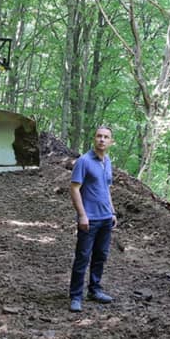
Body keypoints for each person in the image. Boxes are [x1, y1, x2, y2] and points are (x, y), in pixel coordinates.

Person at [68, 126, 118, 313]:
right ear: (94, 139)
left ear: (111, 142)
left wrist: (112, 212)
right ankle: (75, 296)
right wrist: (82, 215)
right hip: (89, 219)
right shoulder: (84, 161)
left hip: (106, 218)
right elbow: (74, 188)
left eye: (106, 137)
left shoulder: (108, 161)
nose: (102, 140)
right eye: (99, 136)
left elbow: (107, 189)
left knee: (100, 256)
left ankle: (95, 290)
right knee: (82, 257)